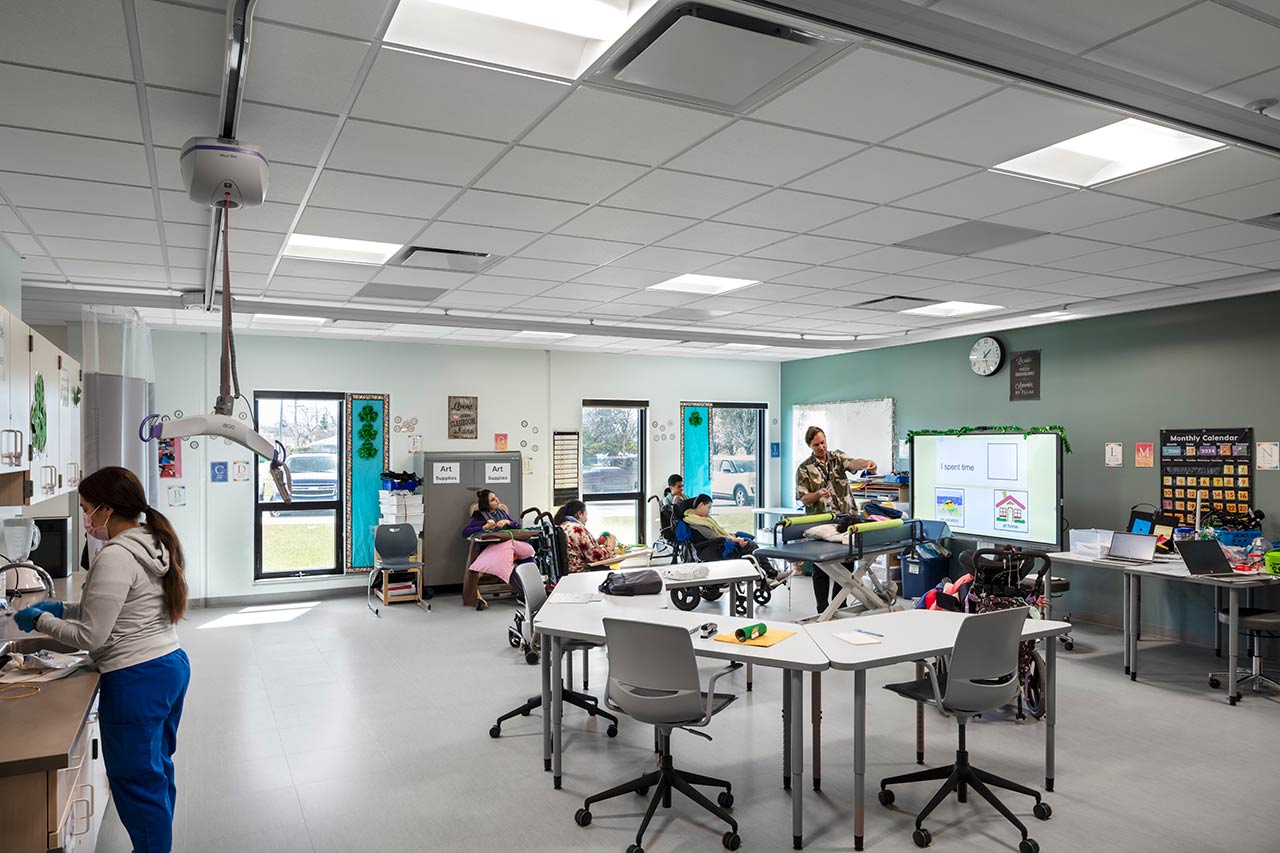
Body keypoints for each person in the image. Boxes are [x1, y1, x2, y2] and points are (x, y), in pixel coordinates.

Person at [13, 466, 191, 853]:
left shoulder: (115, 555)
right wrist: (64, 607)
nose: (86, 519)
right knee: (156, 772)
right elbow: (113, 608)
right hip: (168, 665)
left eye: (87, 509)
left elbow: (92, 635)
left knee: (137, 782)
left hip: (138, 679)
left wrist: (42, 620)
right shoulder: (151, 540)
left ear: (107, 510)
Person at [795, 426, 878, 614]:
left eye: (823, 442)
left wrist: (867, 463)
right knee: (822, 568)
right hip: (821, 523)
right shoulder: (804, 468)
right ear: (810, 445)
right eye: (816, 445)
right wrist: (817, 494)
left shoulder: (837, 458)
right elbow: (803, 498)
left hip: (845, 520)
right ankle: (822, 608)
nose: (821, 447)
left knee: (846, 564)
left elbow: (853, 463)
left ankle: (839, 604)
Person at [462, 489, 535, 606]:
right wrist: (484, 527)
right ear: (486, 504)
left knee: (528, 559)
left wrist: (508, 522)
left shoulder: (502, 513)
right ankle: (523, 595)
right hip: (491, 549)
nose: (497, 500)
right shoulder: (478, 516)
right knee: (508, 564)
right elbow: (466, 532)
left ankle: (534, 591)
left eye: (496, 498)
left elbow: (518, 525)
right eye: (493, 500)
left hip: (508, 547)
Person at [553, 499, 617, 573]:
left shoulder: (564, 526)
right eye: (585, 515)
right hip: (581, 573)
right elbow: (595, 557)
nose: (586, 519)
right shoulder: (576, 529)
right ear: (579, 514)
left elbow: (579, 547)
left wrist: (597, 542)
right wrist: (610, 547)